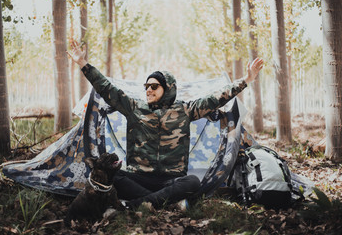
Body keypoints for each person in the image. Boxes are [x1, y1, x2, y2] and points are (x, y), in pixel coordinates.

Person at [67, 40, 264, 209]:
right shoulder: (134, 107)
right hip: (140, 177)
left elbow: (216, 98)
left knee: (193, 181)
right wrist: (83, 63)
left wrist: (246, 79)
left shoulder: (185, 110)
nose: (148, 90)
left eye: (154, 86)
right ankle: (168, 202)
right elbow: (106, 87)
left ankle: (135, 205)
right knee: (115, 177)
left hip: (172, 179)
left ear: (168, 88)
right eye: (146, 86)